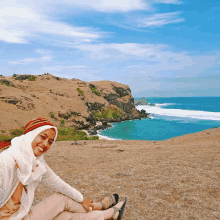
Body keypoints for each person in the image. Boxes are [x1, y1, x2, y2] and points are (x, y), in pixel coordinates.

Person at [0, 118, 127, 220]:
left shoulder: (36, 161)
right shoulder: (6, 161)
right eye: (42, 137)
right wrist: (82, 200)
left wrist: (81, 199)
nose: (45, 145)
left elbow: (56, 182)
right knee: (61, 200)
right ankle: (99, 207)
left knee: (64, 216)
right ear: (30, 135)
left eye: (50, 141)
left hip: (20, 215)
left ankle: (109, 216)